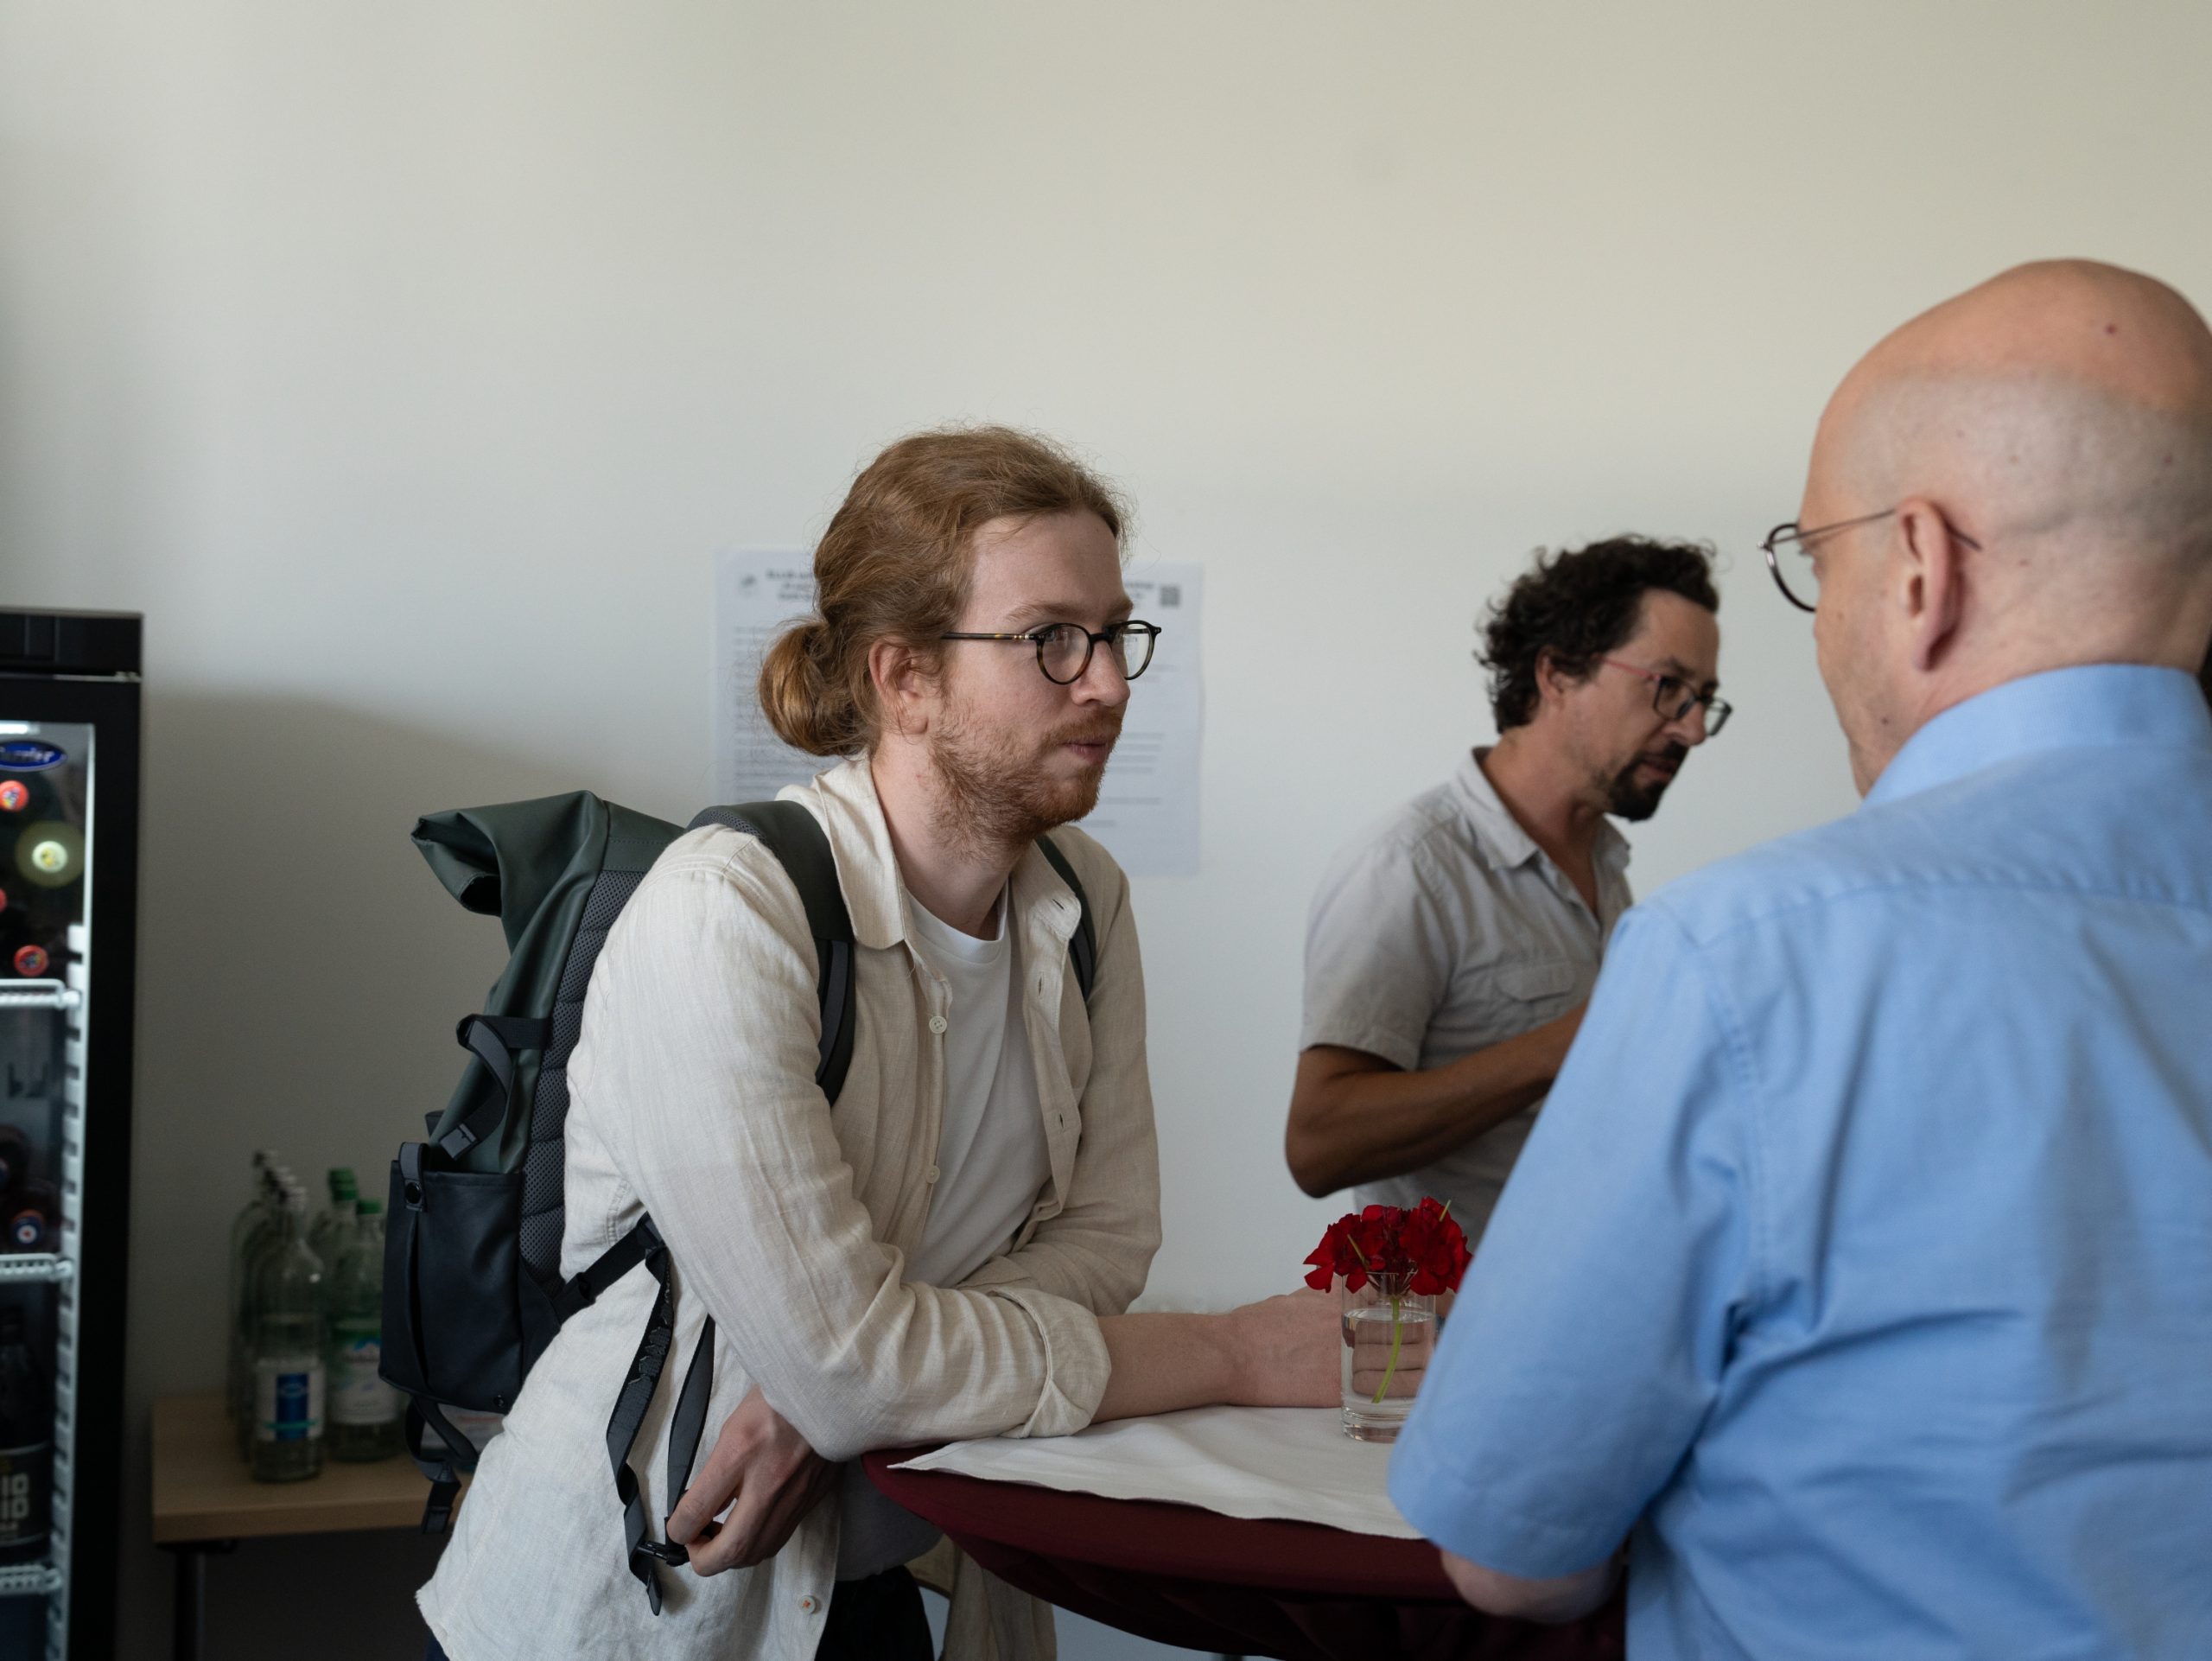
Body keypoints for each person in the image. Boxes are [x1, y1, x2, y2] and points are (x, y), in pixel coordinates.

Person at [1390, 259, 2212, 1658]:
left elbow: (1511, 1549)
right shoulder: (1436, 864)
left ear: (1921, 568)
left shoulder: (1745, 957)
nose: (1694, 723)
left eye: (1816, 565)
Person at [417, 427, 1334, 1661]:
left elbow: (1107, 1239)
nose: (1111, 683)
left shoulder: (1085, 902)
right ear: (904, 678)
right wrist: (1228, 1351)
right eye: (1052, 639)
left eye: (1118, 632)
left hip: (876, 1580)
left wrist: (835, 1402)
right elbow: (852, 1366)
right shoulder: (725, 912)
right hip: (635, 1603)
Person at [1286, 538, 1726, 1245]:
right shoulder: (1408, 867)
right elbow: (1318, 1145)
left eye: (1703, 698)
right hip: (1457, 1311)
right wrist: (1573, 1040)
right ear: (1557, 674)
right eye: (1668, 686)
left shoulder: (1606, 863)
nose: (1694, 728)